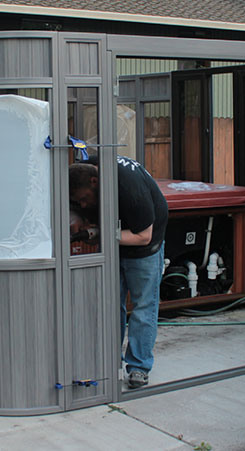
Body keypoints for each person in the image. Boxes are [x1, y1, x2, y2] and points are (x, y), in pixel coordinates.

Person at [69, 156, 168, 388]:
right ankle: (108, 362)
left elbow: (144, 236)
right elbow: (81, 207)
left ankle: (139, 367)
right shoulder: (85, 169)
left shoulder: (129, 188)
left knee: (144, 305)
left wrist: (103, 233)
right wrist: (79, 219)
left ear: (95, 181)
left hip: (145, 245)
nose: (83, 204)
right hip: (117, 238)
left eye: (84, 199)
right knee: (110, 304)